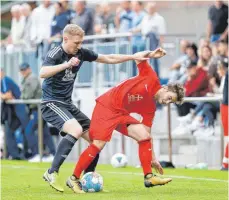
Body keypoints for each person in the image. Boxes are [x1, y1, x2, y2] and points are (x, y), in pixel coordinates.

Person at [41, 24, 149, 192]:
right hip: (51, 103)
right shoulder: (56, 53)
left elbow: (109, 58)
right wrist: (66, 65)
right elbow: (43, 72)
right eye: (76, 43)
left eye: (81, 43)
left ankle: (85, 179)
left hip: (67, 104)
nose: (79, 46)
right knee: (76, 129)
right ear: (65, 39)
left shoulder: (81, 53)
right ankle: (51, 172)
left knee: (97, 138)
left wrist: (133, 56)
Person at [66, 49, 185, 193]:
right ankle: (73, 179)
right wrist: (151, 54)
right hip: (107, 106)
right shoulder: (151, 78)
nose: (167, 102)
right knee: (98, 144)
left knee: (144, 136)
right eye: (169, 98)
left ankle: (148, 177)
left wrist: (153, 158)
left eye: (170, 102)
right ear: (165, 88)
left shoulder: (151, 108)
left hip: (121, 113)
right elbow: (138, 57)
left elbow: (146, 134)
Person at [19, 63, 56, 162]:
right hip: (37, 109)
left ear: (29, 69)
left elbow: (28, 95)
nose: (23, 72)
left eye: (24, 69)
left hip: (39, 109)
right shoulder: (26, 79)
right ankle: (54, 154)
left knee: (29, 130)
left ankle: (36, 153)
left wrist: (21, 97)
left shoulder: (32, 78)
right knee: (44, 132)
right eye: (21, 70)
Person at [0, 68, 29, 159]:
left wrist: (2, 95)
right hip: (15, 111)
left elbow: (7, 96)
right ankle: (16, 154)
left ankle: (19, 154)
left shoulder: (4, 80)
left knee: (25, 132)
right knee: (10, 132)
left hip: (19, 110)